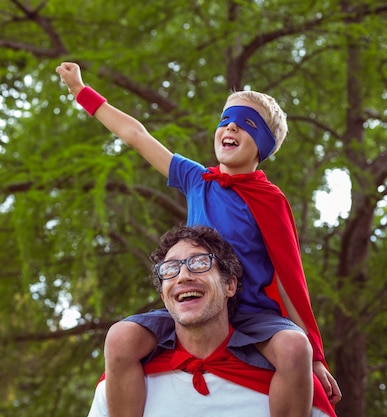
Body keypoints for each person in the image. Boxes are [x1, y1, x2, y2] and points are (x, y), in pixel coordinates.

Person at [56, 62, 341, 417]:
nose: (231, 126)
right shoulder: (197, 179)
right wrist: (82, 92)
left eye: (246, 124)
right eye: (225, 121)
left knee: (295, 350)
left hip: (252, 317)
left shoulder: (271, 199)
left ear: (262, 145)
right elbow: (137, 135)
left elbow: (288, 276)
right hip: (193, 303)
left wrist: (315, 355)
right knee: (121, 338)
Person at [87, 225, 335, 417]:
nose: (183, 276)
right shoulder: (121, 383)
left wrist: (316, 358)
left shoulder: (293, 382)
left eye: (199, 263)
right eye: (170, 269)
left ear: (229, 285)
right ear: (163, 296)